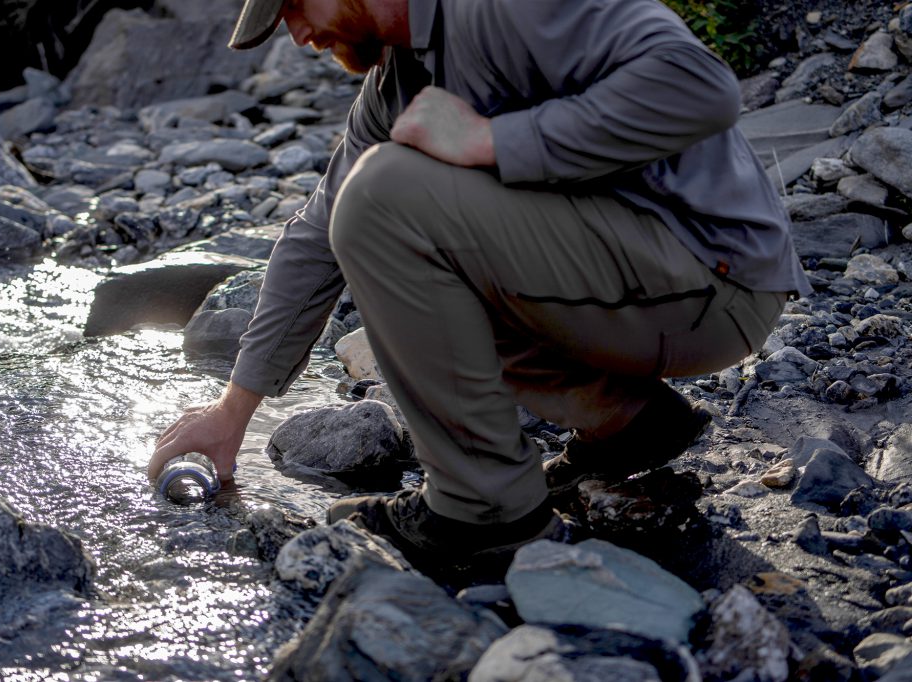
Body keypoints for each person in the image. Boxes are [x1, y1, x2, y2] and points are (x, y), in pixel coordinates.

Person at [150, 0, 811, 577]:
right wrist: (232, 412)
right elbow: (316, 237)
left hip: (715, 280)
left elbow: (701, 89)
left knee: (384, 196)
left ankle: (487, 515)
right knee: (385, 226)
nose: (297, 34)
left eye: (293, 4)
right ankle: (628, 423)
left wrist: (493, 140)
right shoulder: (394, 84)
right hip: (642, 289)